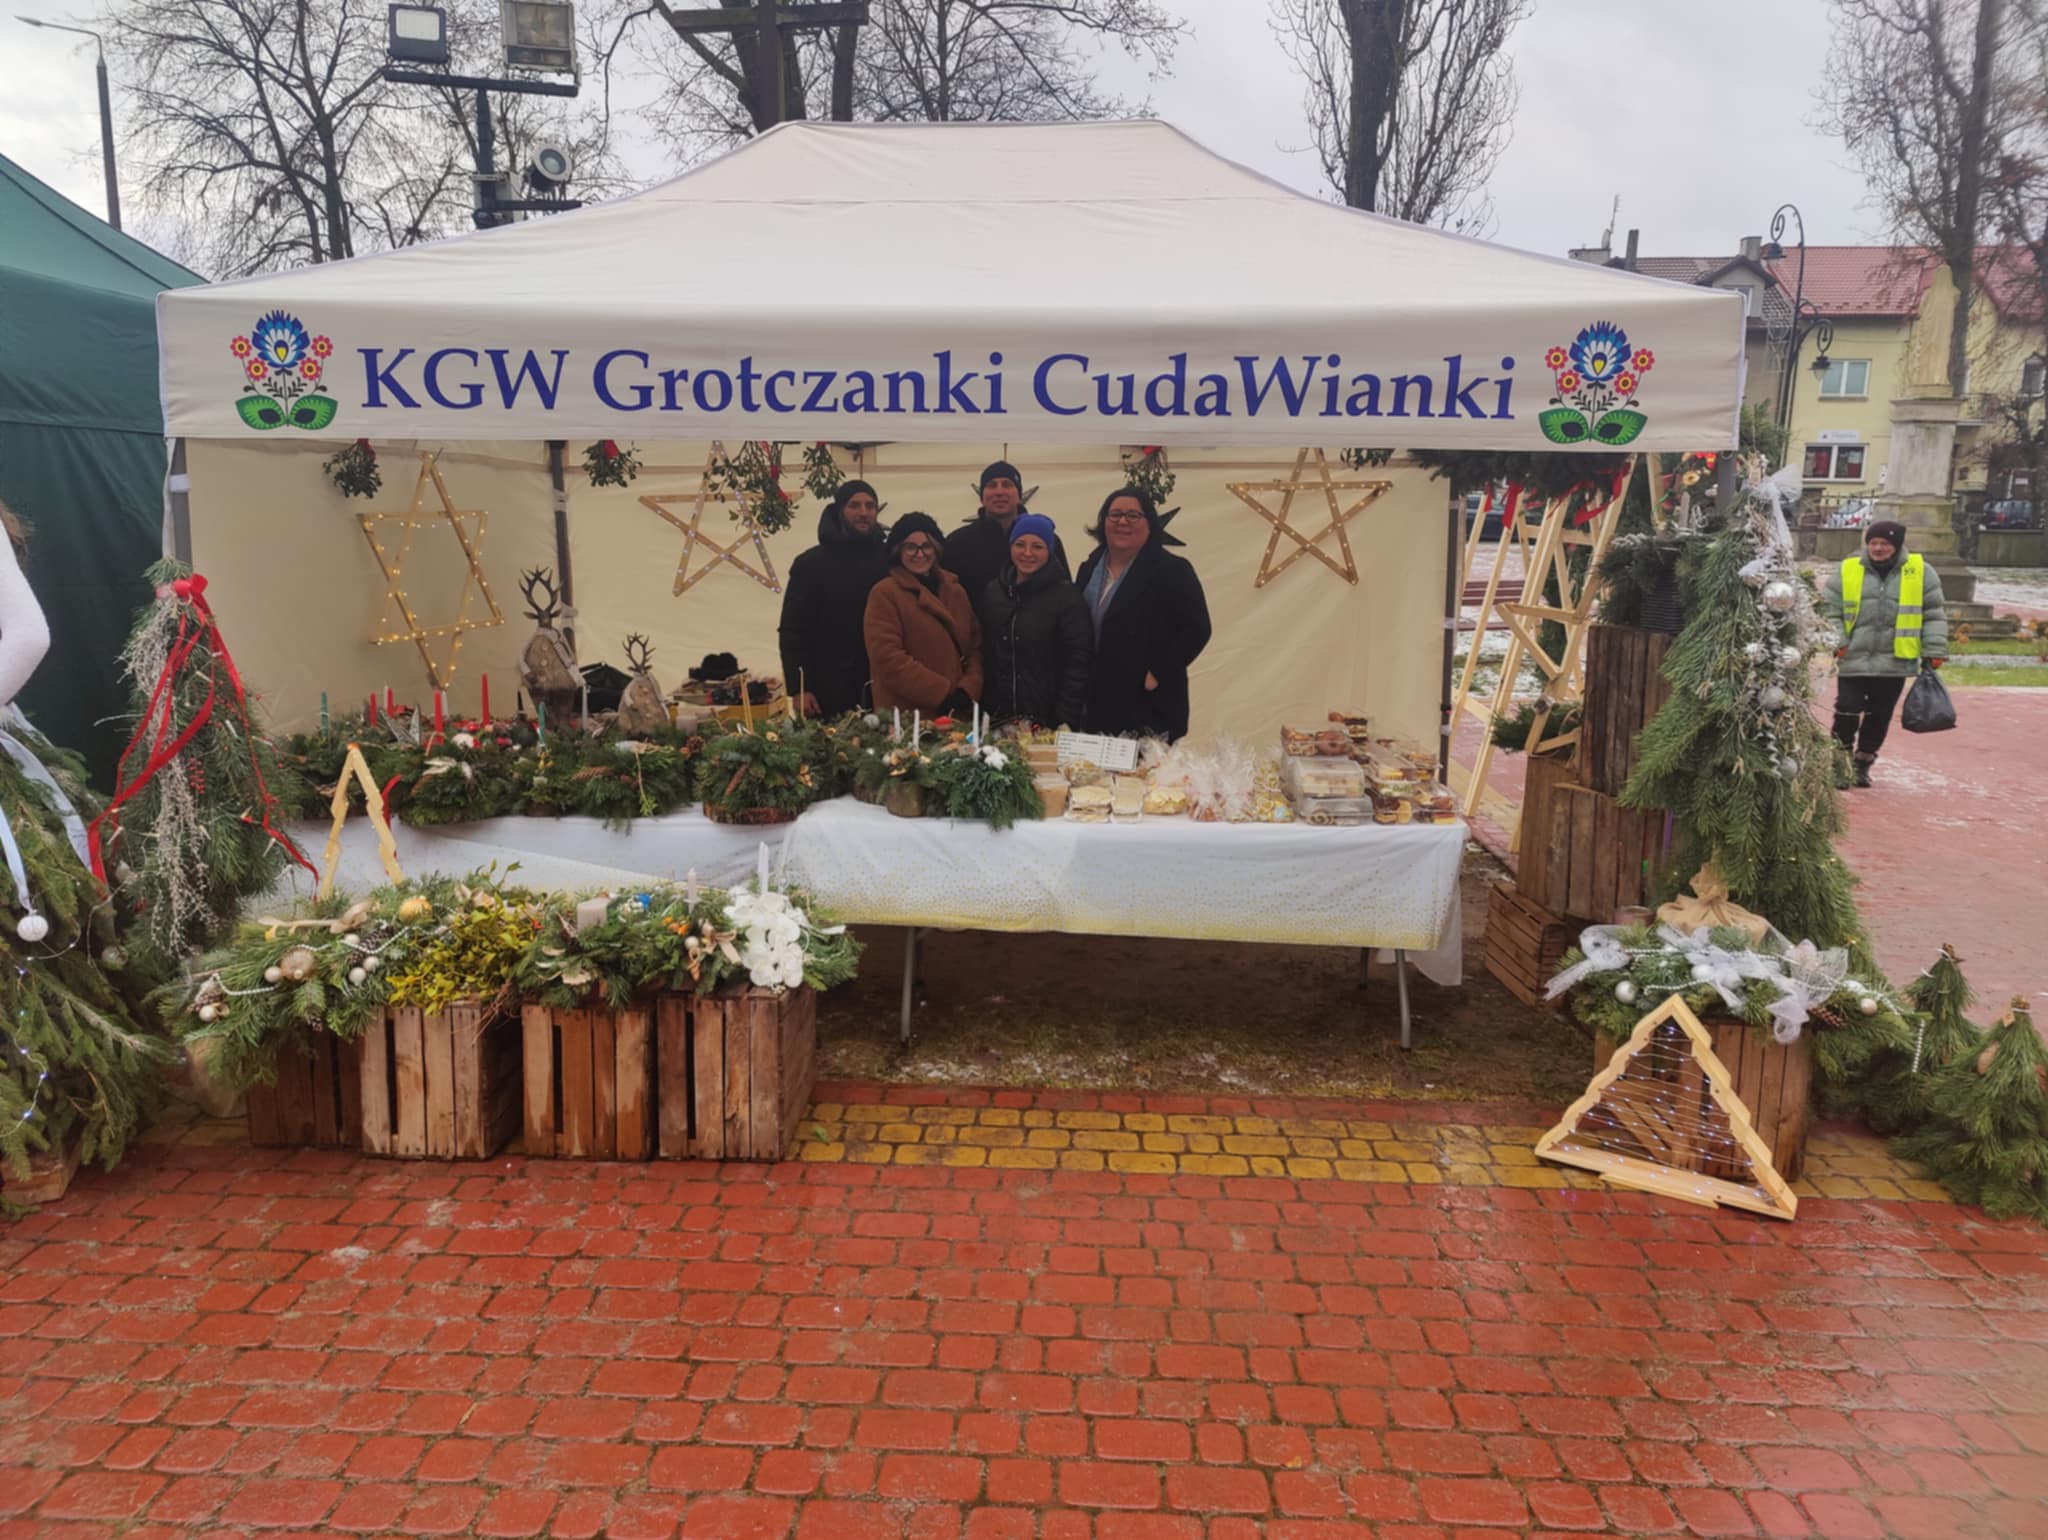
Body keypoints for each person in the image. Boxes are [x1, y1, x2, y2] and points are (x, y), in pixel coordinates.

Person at [1075, 486, 1211, 741]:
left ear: (1149, 524)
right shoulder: (1089, 569)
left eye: (1133, 515)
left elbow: (1197, 629)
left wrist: (1158, 672)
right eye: (1115, 515)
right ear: (1104, 523)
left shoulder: (1173, 570)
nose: (1122, 522)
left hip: (1146, 705)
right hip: (1095, 703)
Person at [1821, 518, 1948, 788]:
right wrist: (1838, 640)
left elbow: (1934, 614)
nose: (1878, 548)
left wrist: (1934, 649)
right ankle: (1839, 763)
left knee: (1879, 714)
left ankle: (1863, 762)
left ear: (1897, 546)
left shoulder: (1921, 572)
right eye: (1874, 543)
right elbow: (1829, 610)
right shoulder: (1848, 570)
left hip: (1895, 659)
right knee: (1846, 710)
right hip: (1853, 655)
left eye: (1885, 544)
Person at [777, 479, 889, 717]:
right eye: (854, 505)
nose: (863, 512)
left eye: (870, 506)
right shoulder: (810, 564)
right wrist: (800, 688)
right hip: (827, 689)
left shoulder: (890, 560)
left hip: (883, 686)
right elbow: (793, 630)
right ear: (839, 510)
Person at [981, 512, 1093, 730]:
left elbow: (1078, 661)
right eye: (1020, 545)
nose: (1027, 553)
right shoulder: (994, 592)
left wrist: (1065, 718)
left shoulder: (1067, 597)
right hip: (999, 717)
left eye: (1038, 546)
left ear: (1049, 550)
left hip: (1047, 718)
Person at [864, 511, 982, 715]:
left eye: (926, 546)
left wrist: (968, 689)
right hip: (908, 715)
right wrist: (941, 693)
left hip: (957, 711)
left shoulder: (955, 591)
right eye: (910, 547)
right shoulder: (885, 593)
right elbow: (888, 658)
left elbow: (975, 647)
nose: (920, 554)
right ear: (898, 551)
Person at [942, 459, 1070, 619]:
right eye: (992, 485)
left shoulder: (1046, 541)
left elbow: (1066, 594)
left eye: (1007, 484)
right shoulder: (957, 543)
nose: (999, 491)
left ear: (1019, 494)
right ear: (982, 496)